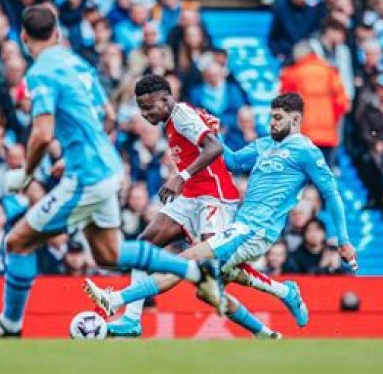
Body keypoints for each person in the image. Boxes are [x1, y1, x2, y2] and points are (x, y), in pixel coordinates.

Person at [0, 5, 221, 340]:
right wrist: (77, 153)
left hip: (86, 176)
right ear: (57, 33)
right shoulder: (78, 64)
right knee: (109, 254)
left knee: (18, 242)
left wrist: (26, 173)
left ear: (23, 37)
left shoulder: (40, 73)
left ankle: (9, 324)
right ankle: (193, 270)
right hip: (107, 168)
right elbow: (107, 117)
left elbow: (42, 133)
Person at [85, 93, 358, 327]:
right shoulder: (265, 144)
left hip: (258, 229)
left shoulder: (306, 150)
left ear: (295, 120)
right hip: (238, 224)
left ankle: (116, 299)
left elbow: (332, 194)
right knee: (208, 290)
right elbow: (232, 162)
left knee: (186, 261)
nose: (272, 123)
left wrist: (344, 241)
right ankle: (278, 308)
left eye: (278, 118)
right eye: (271, 117)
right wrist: (212, 132)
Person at [107, 75, 283, 339]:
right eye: (141, 109)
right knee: (145, 244)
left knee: (212, 279)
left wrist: (181, 177)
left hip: (215, 199)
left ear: (165, 99)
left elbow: (214, 147)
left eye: (148, 107)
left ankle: (275, 307)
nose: (144, 114)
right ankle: (132, 319)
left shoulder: (181, 115)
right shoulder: (173, 118)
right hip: (192, 198)